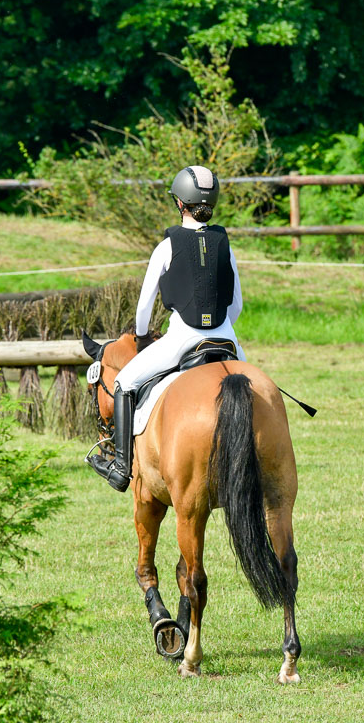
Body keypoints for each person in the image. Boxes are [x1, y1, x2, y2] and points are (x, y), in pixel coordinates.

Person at [95, 165, 246, 492]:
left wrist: (143, 337)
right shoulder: (225, 244)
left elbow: (143, 308)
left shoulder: (167, 246)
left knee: (124, 382)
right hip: (228, 339)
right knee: (254, 389)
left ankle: (121, 467)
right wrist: (221, 330)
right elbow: (237, 305)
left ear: (180, 203)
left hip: (182, 338)